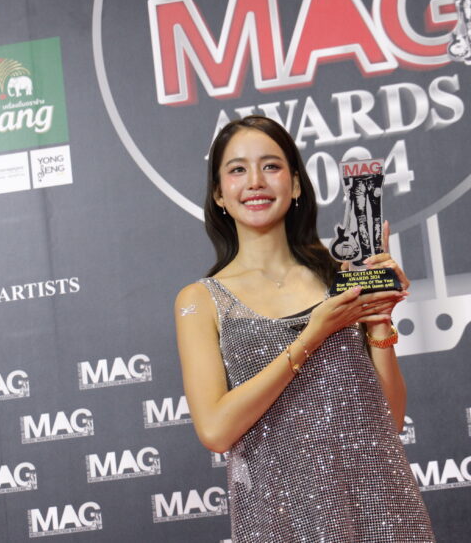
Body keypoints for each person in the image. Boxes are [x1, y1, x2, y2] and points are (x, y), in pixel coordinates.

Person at [174, 116, 435, 542]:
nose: (255, 181)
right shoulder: (200, 300)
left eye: (271, 166)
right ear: (219, 193)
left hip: (383, 511)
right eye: (237, 169)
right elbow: (216, 430)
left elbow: (389, 419)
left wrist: (378, 318)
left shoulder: (342, 276)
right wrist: (312, 336)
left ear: (295, 184)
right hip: (281, 522)